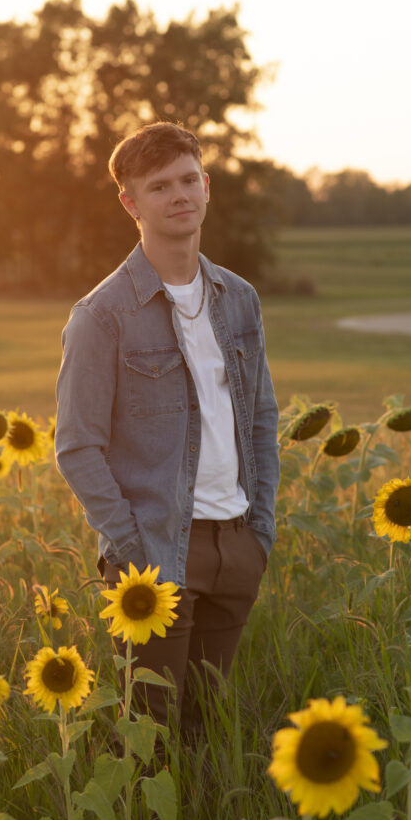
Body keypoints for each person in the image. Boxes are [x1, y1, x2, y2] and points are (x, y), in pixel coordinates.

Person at [54, 121, 279, 732]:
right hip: (152, 558)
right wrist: (132, 547)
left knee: (208, 729)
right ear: (130, 202)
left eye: (188, 181)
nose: (179, 195)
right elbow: (77, 447)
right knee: (148, 737)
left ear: (206, 187)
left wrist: (259, 529)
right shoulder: (102, 316)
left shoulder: (239, 299)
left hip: (235, 544)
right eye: (159, 187)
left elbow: (260, 416)